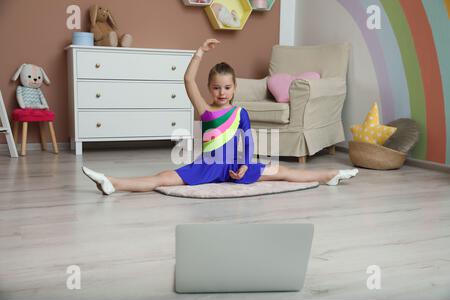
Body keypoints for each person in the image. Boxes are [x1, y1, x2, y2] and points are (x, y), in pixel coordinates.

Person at [82, 39, 358, 195]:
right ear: (209, 89)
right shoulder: (207, 110)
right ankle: (113, 182)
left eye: (227, 87)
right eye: (216, 87)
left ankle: (331, 175)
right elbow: (188, 79)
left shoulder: (240, 112)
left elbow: (247, 142)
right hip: (207, 167)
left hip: (232, 167)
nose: (222, 92)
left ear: (234, 88)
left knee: (284, 172)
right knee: (163, 177)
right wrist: (199, 53)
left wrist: (244, 167)